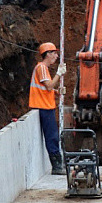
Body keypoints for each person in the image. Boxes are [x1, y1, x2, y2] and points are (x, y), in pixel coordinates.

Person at [29, 42, 67, 175]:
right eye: (54, 53)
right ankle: (56, 166)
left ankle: (58, 163)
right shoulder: (42, 68)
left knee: (53, 136)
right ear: (48, 54)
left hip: (45, 106)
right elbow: (49, 86)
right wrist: (59, 73)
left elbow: (47, 89)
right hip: (44, 107)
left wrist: (57, 92)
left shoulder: (41, 68)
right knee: (52, 137)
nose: (56, 56)